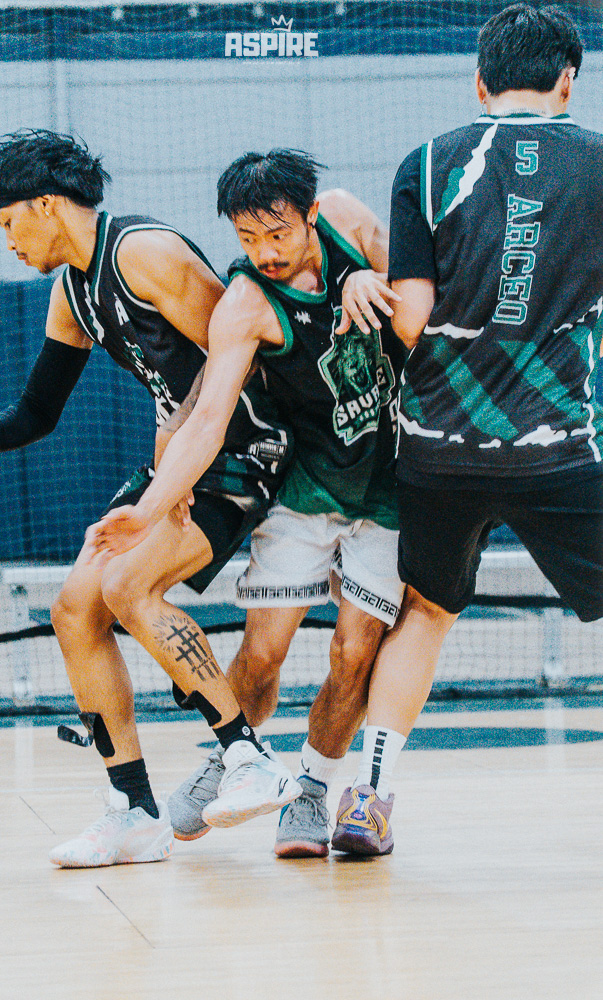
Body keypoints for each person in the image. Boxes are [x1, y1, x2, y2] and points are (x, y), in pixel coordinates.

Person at [0, 129, 301, 868]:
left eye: (8, 222)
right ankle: (132, 810)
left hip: (247, 448)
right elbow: (37, 412)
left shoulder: (145, 252)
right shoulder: (72, 290)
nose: (7, 242)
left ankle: (249, 757)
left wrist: (176, 462)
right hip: (179, 454)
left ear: (46, 204)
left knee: (128, 583)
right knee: (75, 608)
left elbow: (244, 360)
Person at [88, 148, 407, 857]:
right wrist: (151, 505)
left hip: (390, 488)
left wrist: (369, 277)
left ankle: (313, 791)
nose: (264, 251)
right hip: (307, 487)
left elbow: (422, 298)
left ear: (312, 215)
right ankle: (232, 758)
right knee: (263, 650)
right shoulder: (245, 304)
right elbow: (207, 417)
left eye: (278, 233)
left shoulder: (350, 220)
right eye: (247, 237)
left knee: (355, 651)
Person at [346, 0, 603, 845]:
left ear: (480, 81)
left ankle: (367, 798)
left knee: (425, 612)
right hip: (554, 445)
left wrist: (357, 281)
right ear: (568, 79)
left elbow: (411, 318)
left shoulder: (426, 163)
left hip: (436, 448)